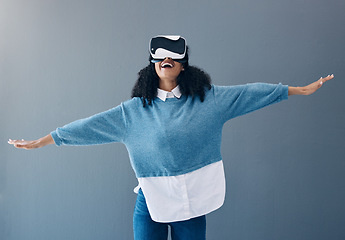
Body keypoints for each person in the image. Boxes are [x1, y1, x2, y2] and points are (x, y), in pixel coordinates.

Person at [8, 35, 334, 240]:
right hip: (150, 200)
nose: (167, 60)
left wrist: (294, 91)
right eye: (160, 56)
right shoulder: (132, 112)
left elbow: (249, 93)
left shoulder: (209, 99)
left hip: (193, 200)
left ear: (182, 65)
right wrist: (43, 140)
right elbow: (87, 127)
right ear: (152, 65)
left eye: (174, 56)